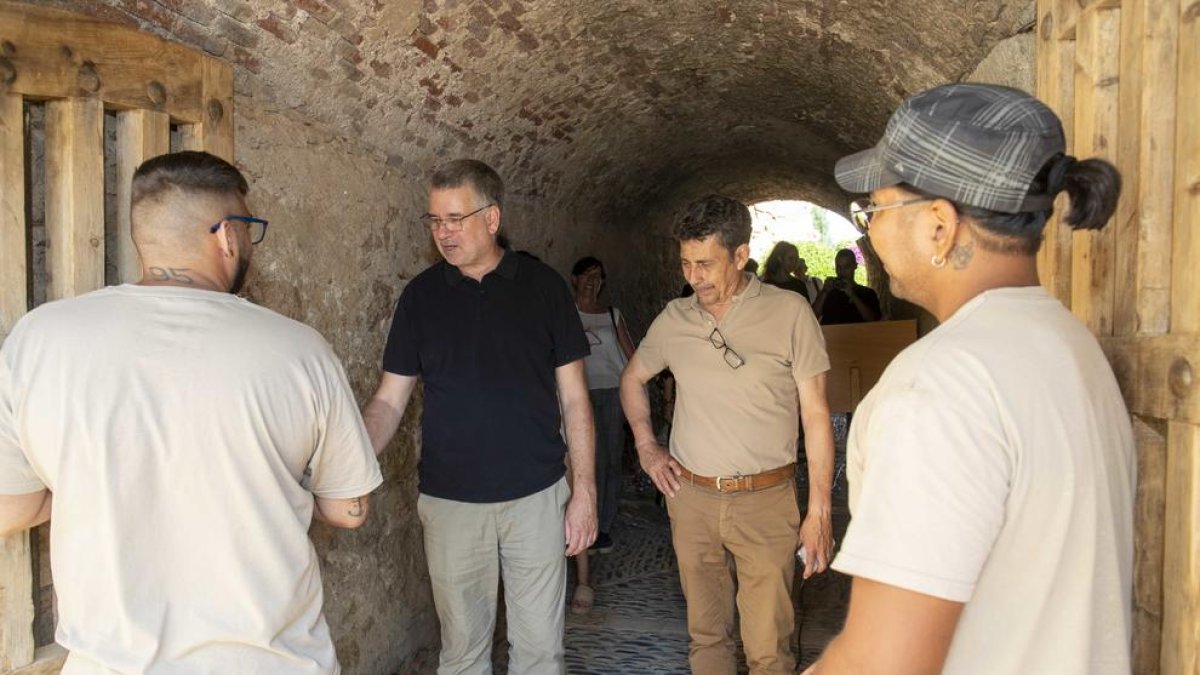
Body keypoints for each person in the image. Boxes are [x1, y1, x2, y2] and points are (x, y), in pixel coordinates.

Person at [0, 151, 383, 673]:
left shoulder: (40, 339)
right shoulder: (300, 351)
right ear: (228, 235)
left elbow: (11, 508)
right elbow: (346, 509)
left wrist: (93, 483)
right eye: (250, 231)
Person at [804, 83, 1134, 674]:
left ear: (939, 225)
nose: (870, 232)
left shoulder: (938, 387)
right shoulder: (1072, 347)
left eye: (874, 209)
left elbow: (883, 662)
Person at [362, 159, 597, 675]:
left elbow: (576, 400)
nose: (443, 233)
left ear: (492, 219)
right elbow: (388, 401)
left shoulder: (544, 287)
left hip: (536, 498)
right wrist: (349, 460)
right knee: (463, 654)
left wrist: (584, 493)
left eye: (455, 219)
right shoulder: (420, 298)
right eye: (434, 221)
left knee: (539, 653)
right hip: (450, 505)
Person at [620, 195, 836, 675]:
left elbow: (816, 415)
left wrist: (819, 510)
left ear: (740, 256)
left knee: (769, 647)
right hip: (691, 499)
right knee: (707, 638)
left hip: (766, 500)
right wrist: (647, 447)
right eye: (685, 264)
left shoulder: (790, 312)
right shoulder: (675, 319)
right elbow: (632, 378)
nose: (694, 277)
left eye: (705, 264)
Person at [571, 256, 636, 554]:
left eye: (598, 276)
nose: (592, 281)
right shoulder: (567, 314)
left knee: (609, 459)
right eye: (586, 275)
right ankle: (586, 521)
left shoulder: (613, 314)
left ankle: (604, 525)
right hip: (578, 395)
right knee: (586, 461)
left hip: (611, 392)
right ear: (575, 279)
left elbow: (631, 355)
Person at [812, 248, 881, 323]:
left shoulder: (867, 293)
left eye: (846, 267)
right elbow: (812, 316)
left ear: (855, 266)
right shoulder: (828, 292)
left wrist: (853, 295)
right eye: (839, 267)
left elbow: (872, 319)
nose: (842, 271)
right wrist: (825, 292)